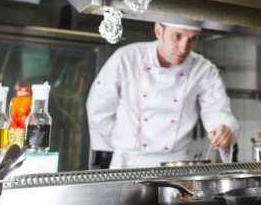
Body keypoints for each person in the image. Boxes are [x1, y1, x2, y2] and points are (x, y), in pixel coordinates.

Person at [87, 21, 238, 169]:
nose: (183, 48)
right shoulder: (127, 58)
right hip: (128, 164)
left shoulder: (203, 69)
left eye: (192, 39)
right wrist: (122, 140)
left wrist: (223, 130)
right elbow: (99, 109)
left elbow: (217, 112)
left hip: (177, 165)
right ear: (159, 31)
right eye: (177, 36)